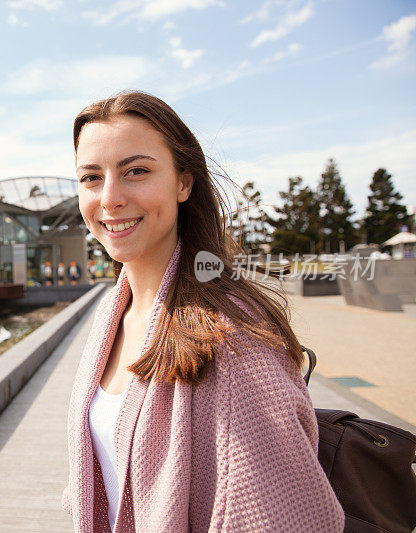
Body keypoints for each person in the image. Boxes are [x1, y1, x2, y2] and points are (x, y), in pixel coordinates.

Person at [61, 91, 344, 532]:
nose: (110, 198)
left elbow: (287, 517)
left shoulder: (234, 335)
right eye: (91, 178)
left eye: (136, 171)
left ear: (184, 183)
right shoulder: (112, 315)